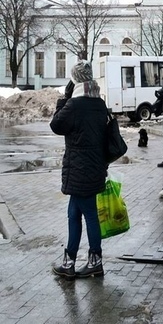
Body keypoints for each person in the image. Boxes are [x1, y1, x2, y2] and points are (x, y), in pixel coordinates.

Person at [50, 60, 109, 280]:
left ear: (75, 80)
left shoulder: (74, 105)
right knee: (74, 214)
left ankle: (94, 262)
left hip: (79, 168)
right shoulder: (99, 103)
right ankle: (70, 261)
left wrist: (64, 99)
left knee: (89, 216)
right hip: (94, 166)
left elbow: (56, 125)